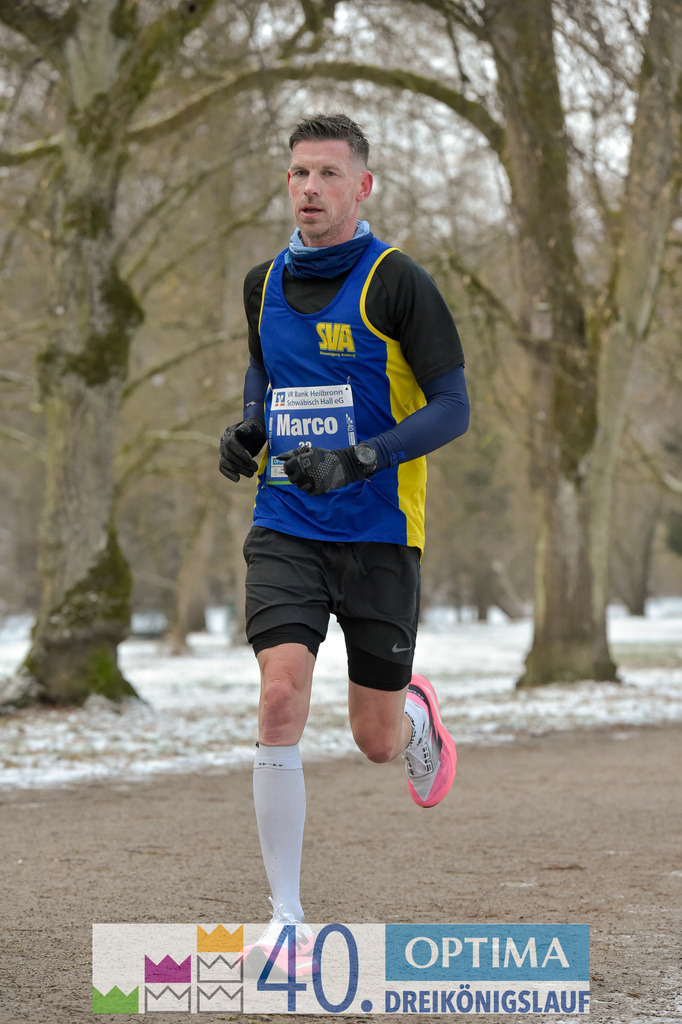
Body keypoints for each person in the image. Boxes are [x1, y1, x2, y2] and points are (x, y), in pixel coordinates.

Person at [219, 112, 469, 973]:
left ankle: (410, 710)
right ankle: (286, 916)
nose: (310, 189)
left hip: (379, 532)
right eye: (298, 174)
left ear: (362, 186)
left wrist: (365, 456)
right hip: (287, 521)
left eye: (328, 174)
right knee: (279, 700)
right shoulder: (261, 283)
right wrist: (248, 426)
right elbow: (265, 368)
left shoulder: (399, 283)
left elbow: (452, 408)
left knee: (370, 740)